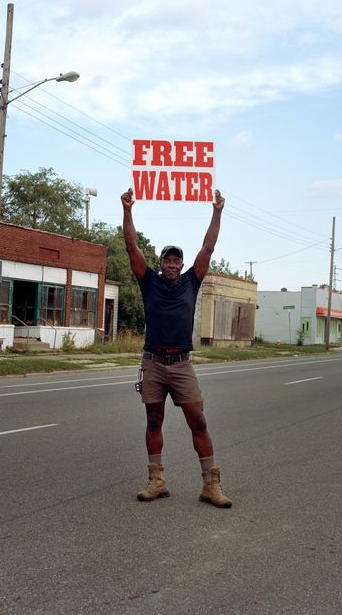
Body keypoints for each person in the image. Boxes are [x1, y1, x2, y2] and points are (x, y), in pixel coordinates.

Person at [121, 187, 232, 508]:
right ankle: (157, 480)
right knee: (153, 420)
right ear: (159, 264)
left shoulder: (191, 281)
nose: (172, 264)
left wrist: (217, 211)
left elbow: (208, 247)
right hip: (153, 362)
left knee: (198, 420)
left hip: (181, 364)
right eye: (167, 260)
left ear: (182, 265)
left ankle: (210, 484)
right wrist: (128, 209)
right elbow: (131, 245)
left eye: (177, 260)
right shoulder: (148, 281)